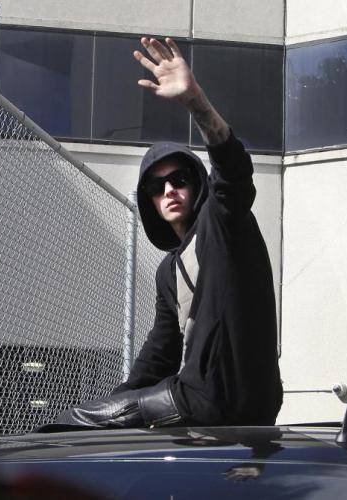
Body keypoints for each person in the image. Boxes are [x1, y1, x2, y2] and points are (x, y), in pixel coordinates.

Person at [39, 36, 282, 431]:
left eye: (179, 179)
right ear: (149, 200)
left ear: (197, 183)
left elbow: (234, 173)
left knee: (72, 423)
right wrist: (116, 402)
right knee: (97, 418)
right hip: (196, 401)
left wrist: (196, 102)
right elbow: (159, 354)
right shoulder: (168, 271)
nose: (169, 190)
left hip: (217, 398)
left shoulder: (222, 222)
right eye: (157, 186)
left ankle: (2, 455)